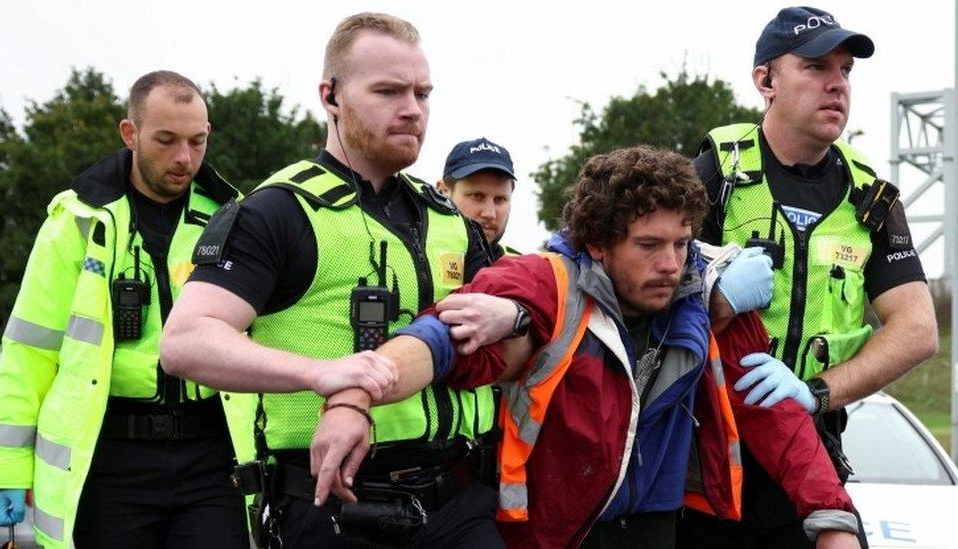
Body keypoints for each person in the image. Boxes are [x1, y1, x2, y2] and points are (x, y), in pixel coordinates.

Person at [310, 146, 861, 549]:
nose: (671, 263)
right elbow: (438, 337)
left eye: (681, 241)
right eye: (648, 245)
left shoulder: (706, 287)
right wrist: (353, 397)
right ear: (597, 242)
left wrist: (833, 517)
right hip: (548, 527)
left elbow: (775, 415)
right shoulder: (544, 281)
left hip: (655, 524)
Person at [160, 12, 504, 548]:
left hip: (460, 503)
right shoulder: (277, 212)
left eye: (422, 93)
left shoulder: (450, 219)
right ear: (332, 96)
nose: (412, 110)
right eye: (388, 91)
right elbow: (184, 342)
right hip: (335, 509)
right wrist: (321, 374)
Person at [684, 6, 938, 547]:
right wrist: (715, 298)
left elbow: (918, 331)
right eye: (816, 66)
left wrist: (815, 392)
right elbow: (638, 296)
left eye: (845, 70)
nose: (837, 85)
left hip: (809, 459)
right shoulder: (716, 173)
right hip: (701, 459)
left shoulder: (869, 194)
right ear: (765, 80)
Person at [0, 71, 265, 548]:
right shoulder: (75, 222)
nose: (184, 158)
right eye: (166, 140)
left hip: (214, 457)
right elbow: (29, 349)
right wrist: (6, 464)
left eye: (197, 141)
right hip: (109, 460)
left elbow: (269, 337)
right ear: (129, 134)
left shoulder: (233, 220)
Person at [436, 137, 519, 257]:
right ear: (442, 192)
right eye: (477, 196)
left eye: (499, 199)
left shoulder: (521, 271)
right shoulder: (411, 257)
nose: (490, 214)